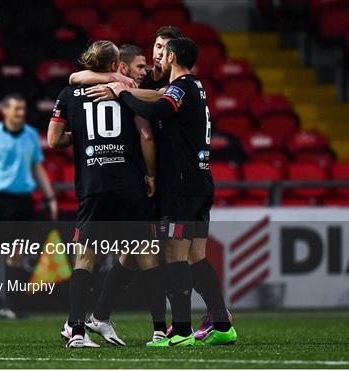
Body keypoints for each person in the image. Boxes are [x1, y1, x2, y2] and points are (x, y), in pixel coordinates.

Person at [110, 37, 238, 346]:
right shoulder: (196, 87)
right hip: (200, 181)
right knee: (196, 255)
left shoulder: (181, 87)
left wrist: (123, 95)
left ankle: (181, 331)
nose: (159, 57)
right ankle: (222, 325)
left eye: (163, 52)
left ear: (172, 56)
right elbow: (158, 96)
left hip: (181, 184)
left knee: (174, 252)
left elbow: (159, 110)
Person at [47, 40, 166, 348]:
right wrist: (151, 175)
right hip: (128, 183)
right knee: (145, 253)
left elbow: (53, 140)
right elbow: (145, 133)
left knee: (86, 258)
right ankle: (159, 331)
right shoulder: (124, 92)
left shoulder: (69, 94)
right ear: (116, 65)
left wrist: (85, 134)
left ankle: (76, 331)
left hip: (93, 185)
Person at [0, 93, 58, 320]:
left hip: (23, 201)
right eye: (16, 109)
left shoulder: (30, 135)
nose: (21, 113)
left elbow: (37, 168)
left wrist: (50, 198)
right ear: (5, 111)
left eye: (23, 109)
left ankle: (10, 306)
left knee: (16, 256)